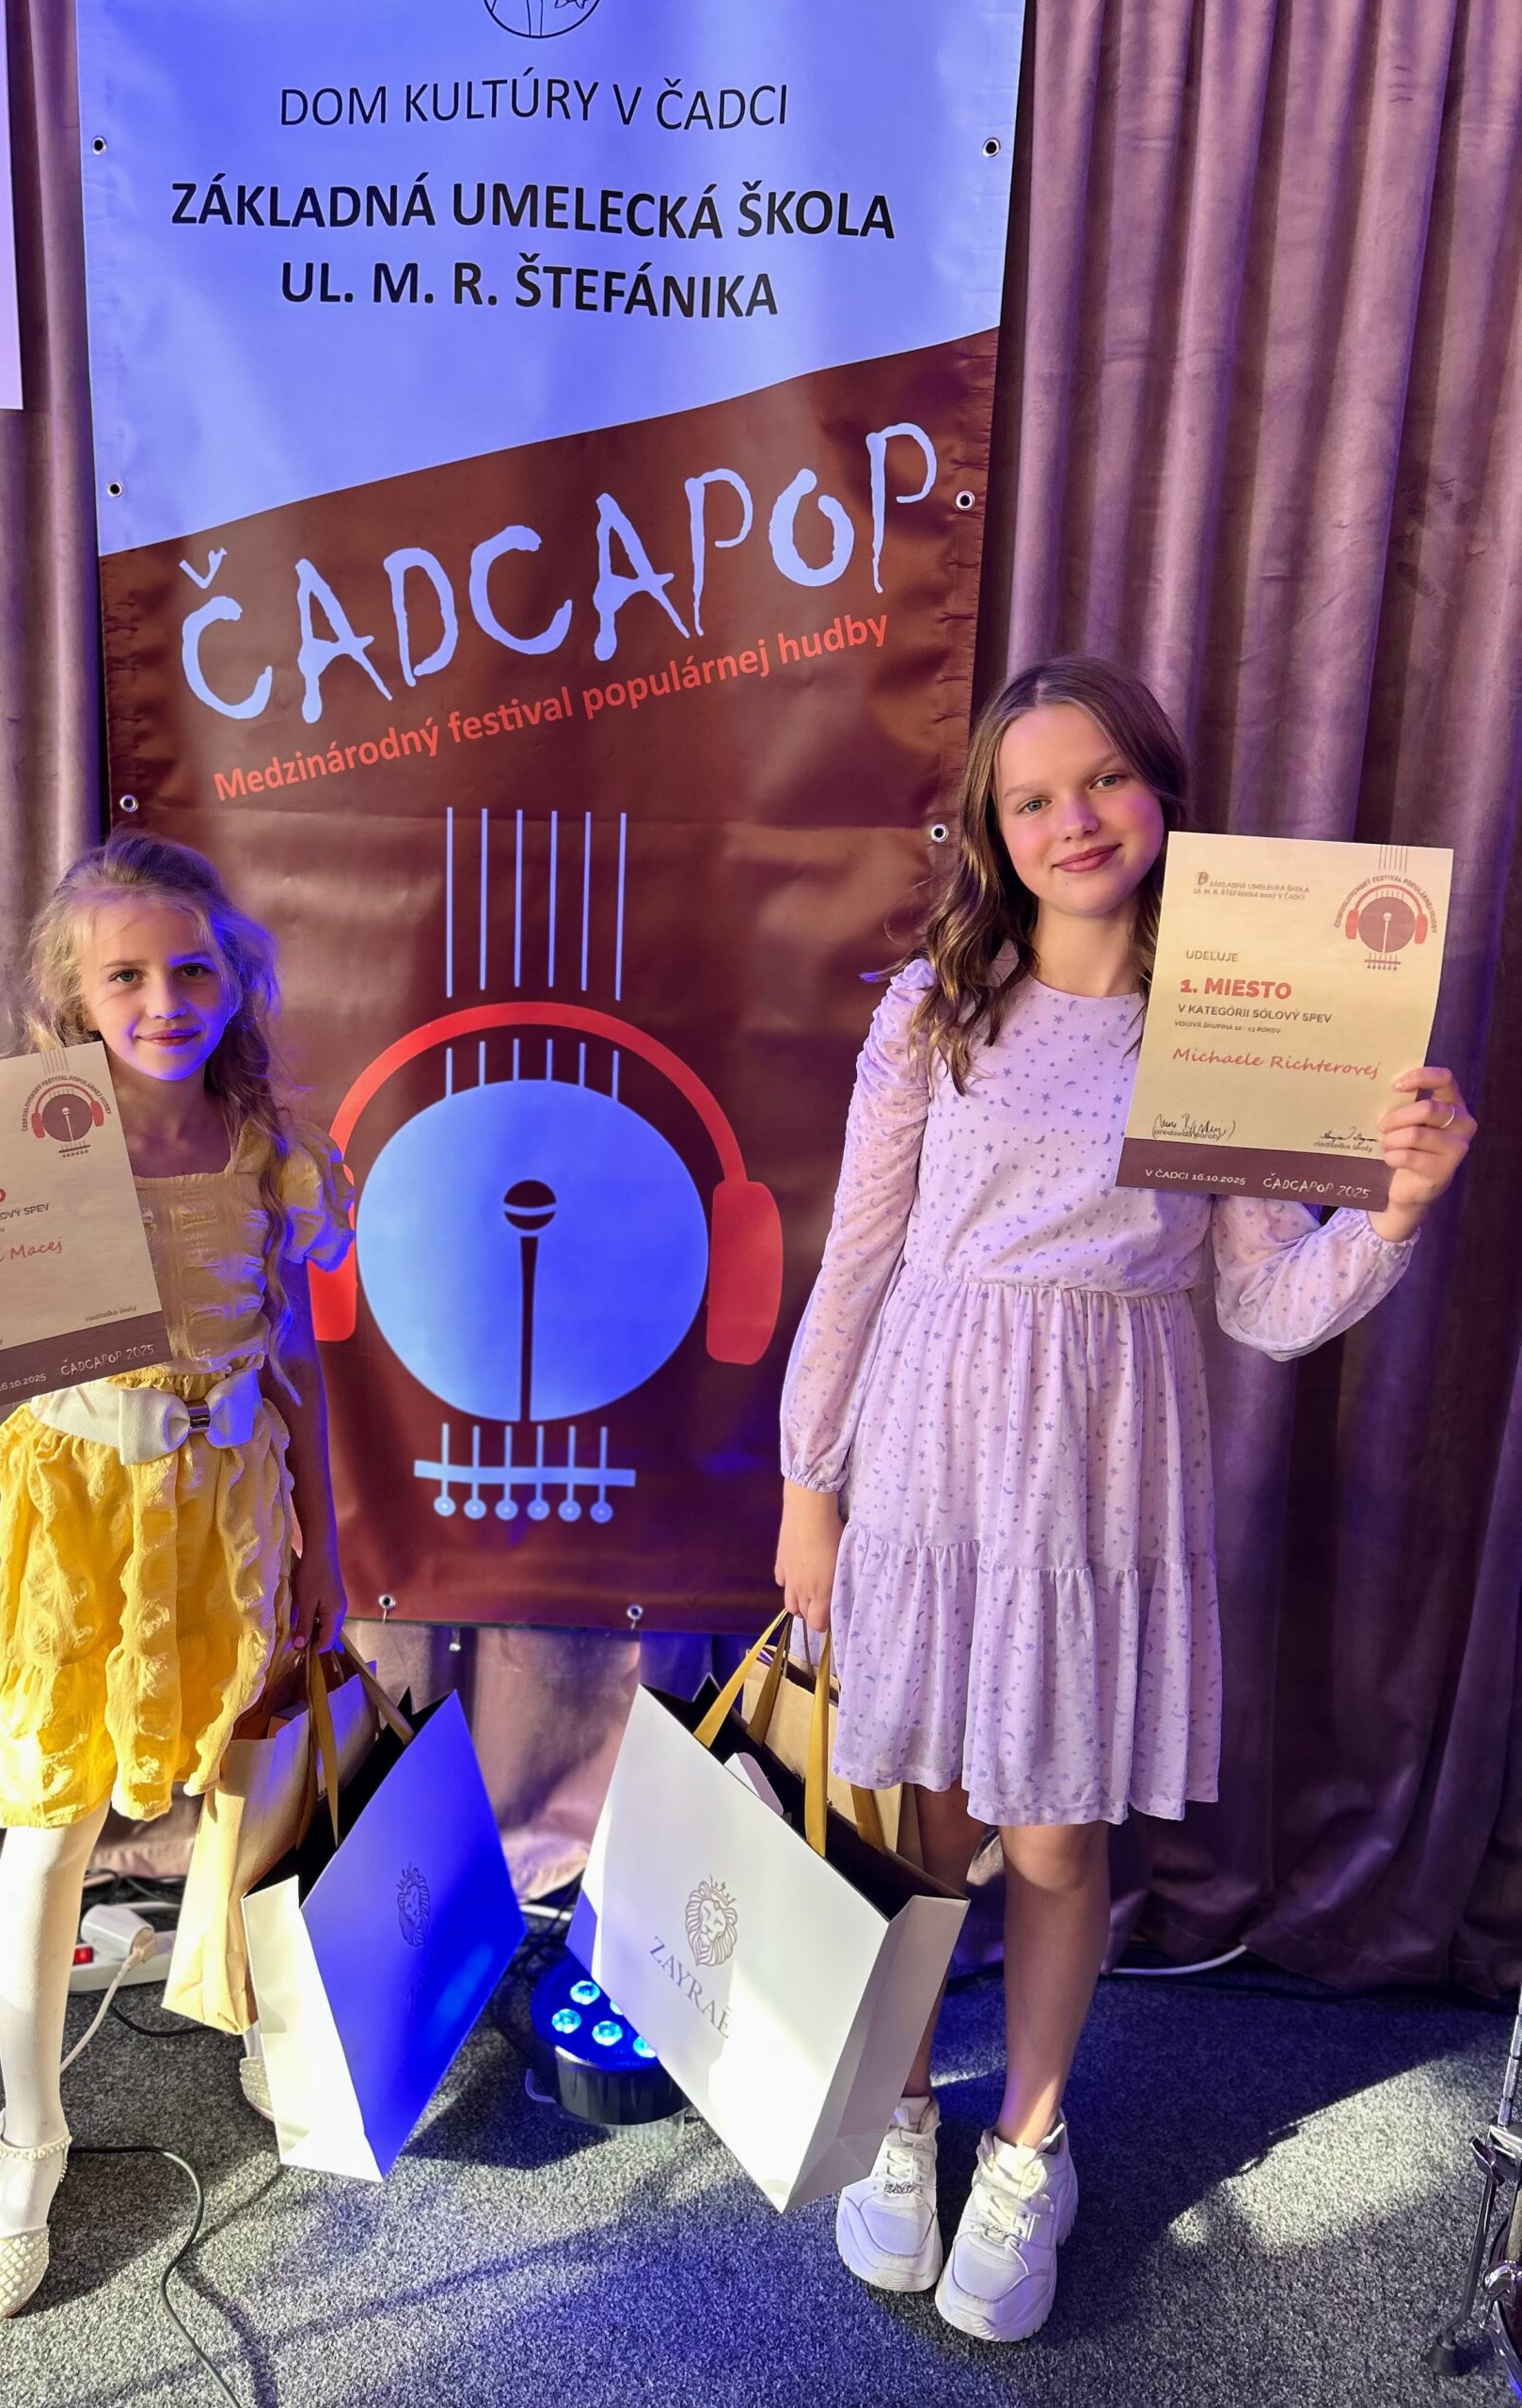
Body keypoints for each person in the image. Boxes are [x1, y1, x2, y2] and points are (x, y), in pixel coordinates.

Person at [775, 657, 1476, 2343]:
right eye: (1032, 797)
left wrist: (1391, 1211)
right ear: (992, 829)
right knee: (925, 1820)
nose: (1073, 819)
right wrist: (811, 1485)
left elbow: (1262, 1302)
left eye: (1102, 780)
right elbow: (857, 1259)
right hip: (932, 1441)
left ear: (1160, 789)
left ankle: (1030, 2142)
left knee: (1056, 1830)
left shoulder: (1231, 1014)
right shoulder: (935, 1010)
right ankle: (905, 2111)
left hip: (1101, 1462)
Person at [0, 832, 353, 2322]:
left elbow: (299, 1357)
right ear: (73, 995)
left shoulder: (269, 1146)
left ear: (236, 979)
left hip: (231, 1513)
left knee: (244, 1788)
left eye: (192, 969)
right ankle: (29, 2135)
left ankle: (247, 2006)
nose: (161, 1001)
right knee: (51, 1813)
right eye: (124, 976)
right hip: (84, 1525)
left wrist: (327, 1541)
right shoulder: (18, 1154)